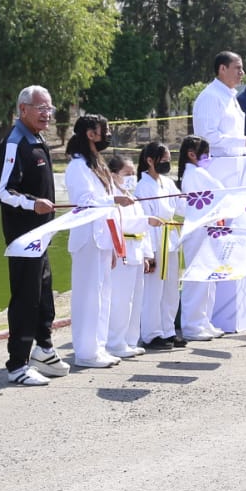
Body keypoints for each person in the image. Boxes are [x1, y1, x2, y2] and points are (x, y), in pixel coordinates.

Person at [0, 85, 69, 386]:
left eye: (49, 107)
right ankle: (17, 365)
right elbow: (2, 192)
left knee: (44, 295)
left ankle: (44, 349)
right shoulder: (14, 141)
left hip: (42, 233)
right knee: (25, 299)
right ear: (23, 109)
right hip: (23, 237)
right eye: (40, 107)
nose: (47, 113)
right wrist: (30, 203)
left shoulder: (36, 138)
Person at [66, 115, 131, 368]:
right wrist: (113, 201)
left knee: (103, 294)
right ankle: (85, 352)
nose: (107, 134)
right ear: (90, 134)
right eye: (104, 130)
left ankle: (98, 347)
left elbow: (105, 199)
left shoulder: (97, 164)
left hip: (103, 237)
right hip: (87, 238)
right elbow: (84, 202)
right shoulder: (77, 166)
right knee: (88, 296)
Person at [135, 141, 187, 351]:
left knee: (171, 289)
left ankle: (168, 330)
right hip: (154, 237)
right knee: (153, 290)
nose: (167, 163)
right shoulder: (142, 186)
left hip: (170, 237)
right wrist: (148, 252)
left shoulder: (167, 182)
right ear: (150, 160)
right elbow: (144, 219)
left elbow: (181, 205)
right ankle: (151, 333)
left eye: (168, 160)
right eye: (163, 160)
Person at [177, 135, 225, 340]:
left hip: (208, 228)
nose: (209, 158)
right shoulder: (194, 173)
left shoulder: (199, 172)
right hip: (198, 230)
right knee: (197, 278)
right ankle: (192, 326)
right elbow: (222, 193)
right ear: (191, 154)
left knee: (208, 278)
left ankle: (204, 321)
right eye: (205, 154)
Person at [104, 156, 152, 360]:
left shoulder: (132, 197)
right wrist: (145, 221)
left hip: (137, 251)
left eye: (133, 173)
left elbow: (145, 230)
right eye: (127, 174)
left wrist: (148, 254)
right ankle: (115, 342)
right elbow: (119, 224)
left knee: (135, 299)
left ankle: (130, 339)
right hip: (122, 251)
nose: (132, 177)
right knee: (120, 300)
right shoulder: (112, 198)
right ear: (114, 175)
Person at [192, 51, 246, 158]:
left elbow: (232, 137)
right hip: (217, 167)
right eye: (238, 68)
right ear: (222, 69)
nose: (242, 72)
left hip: (233, 166)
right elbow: (207, 137)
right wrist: (244, 142)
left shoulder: (229, 96)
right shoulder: (210, 96)